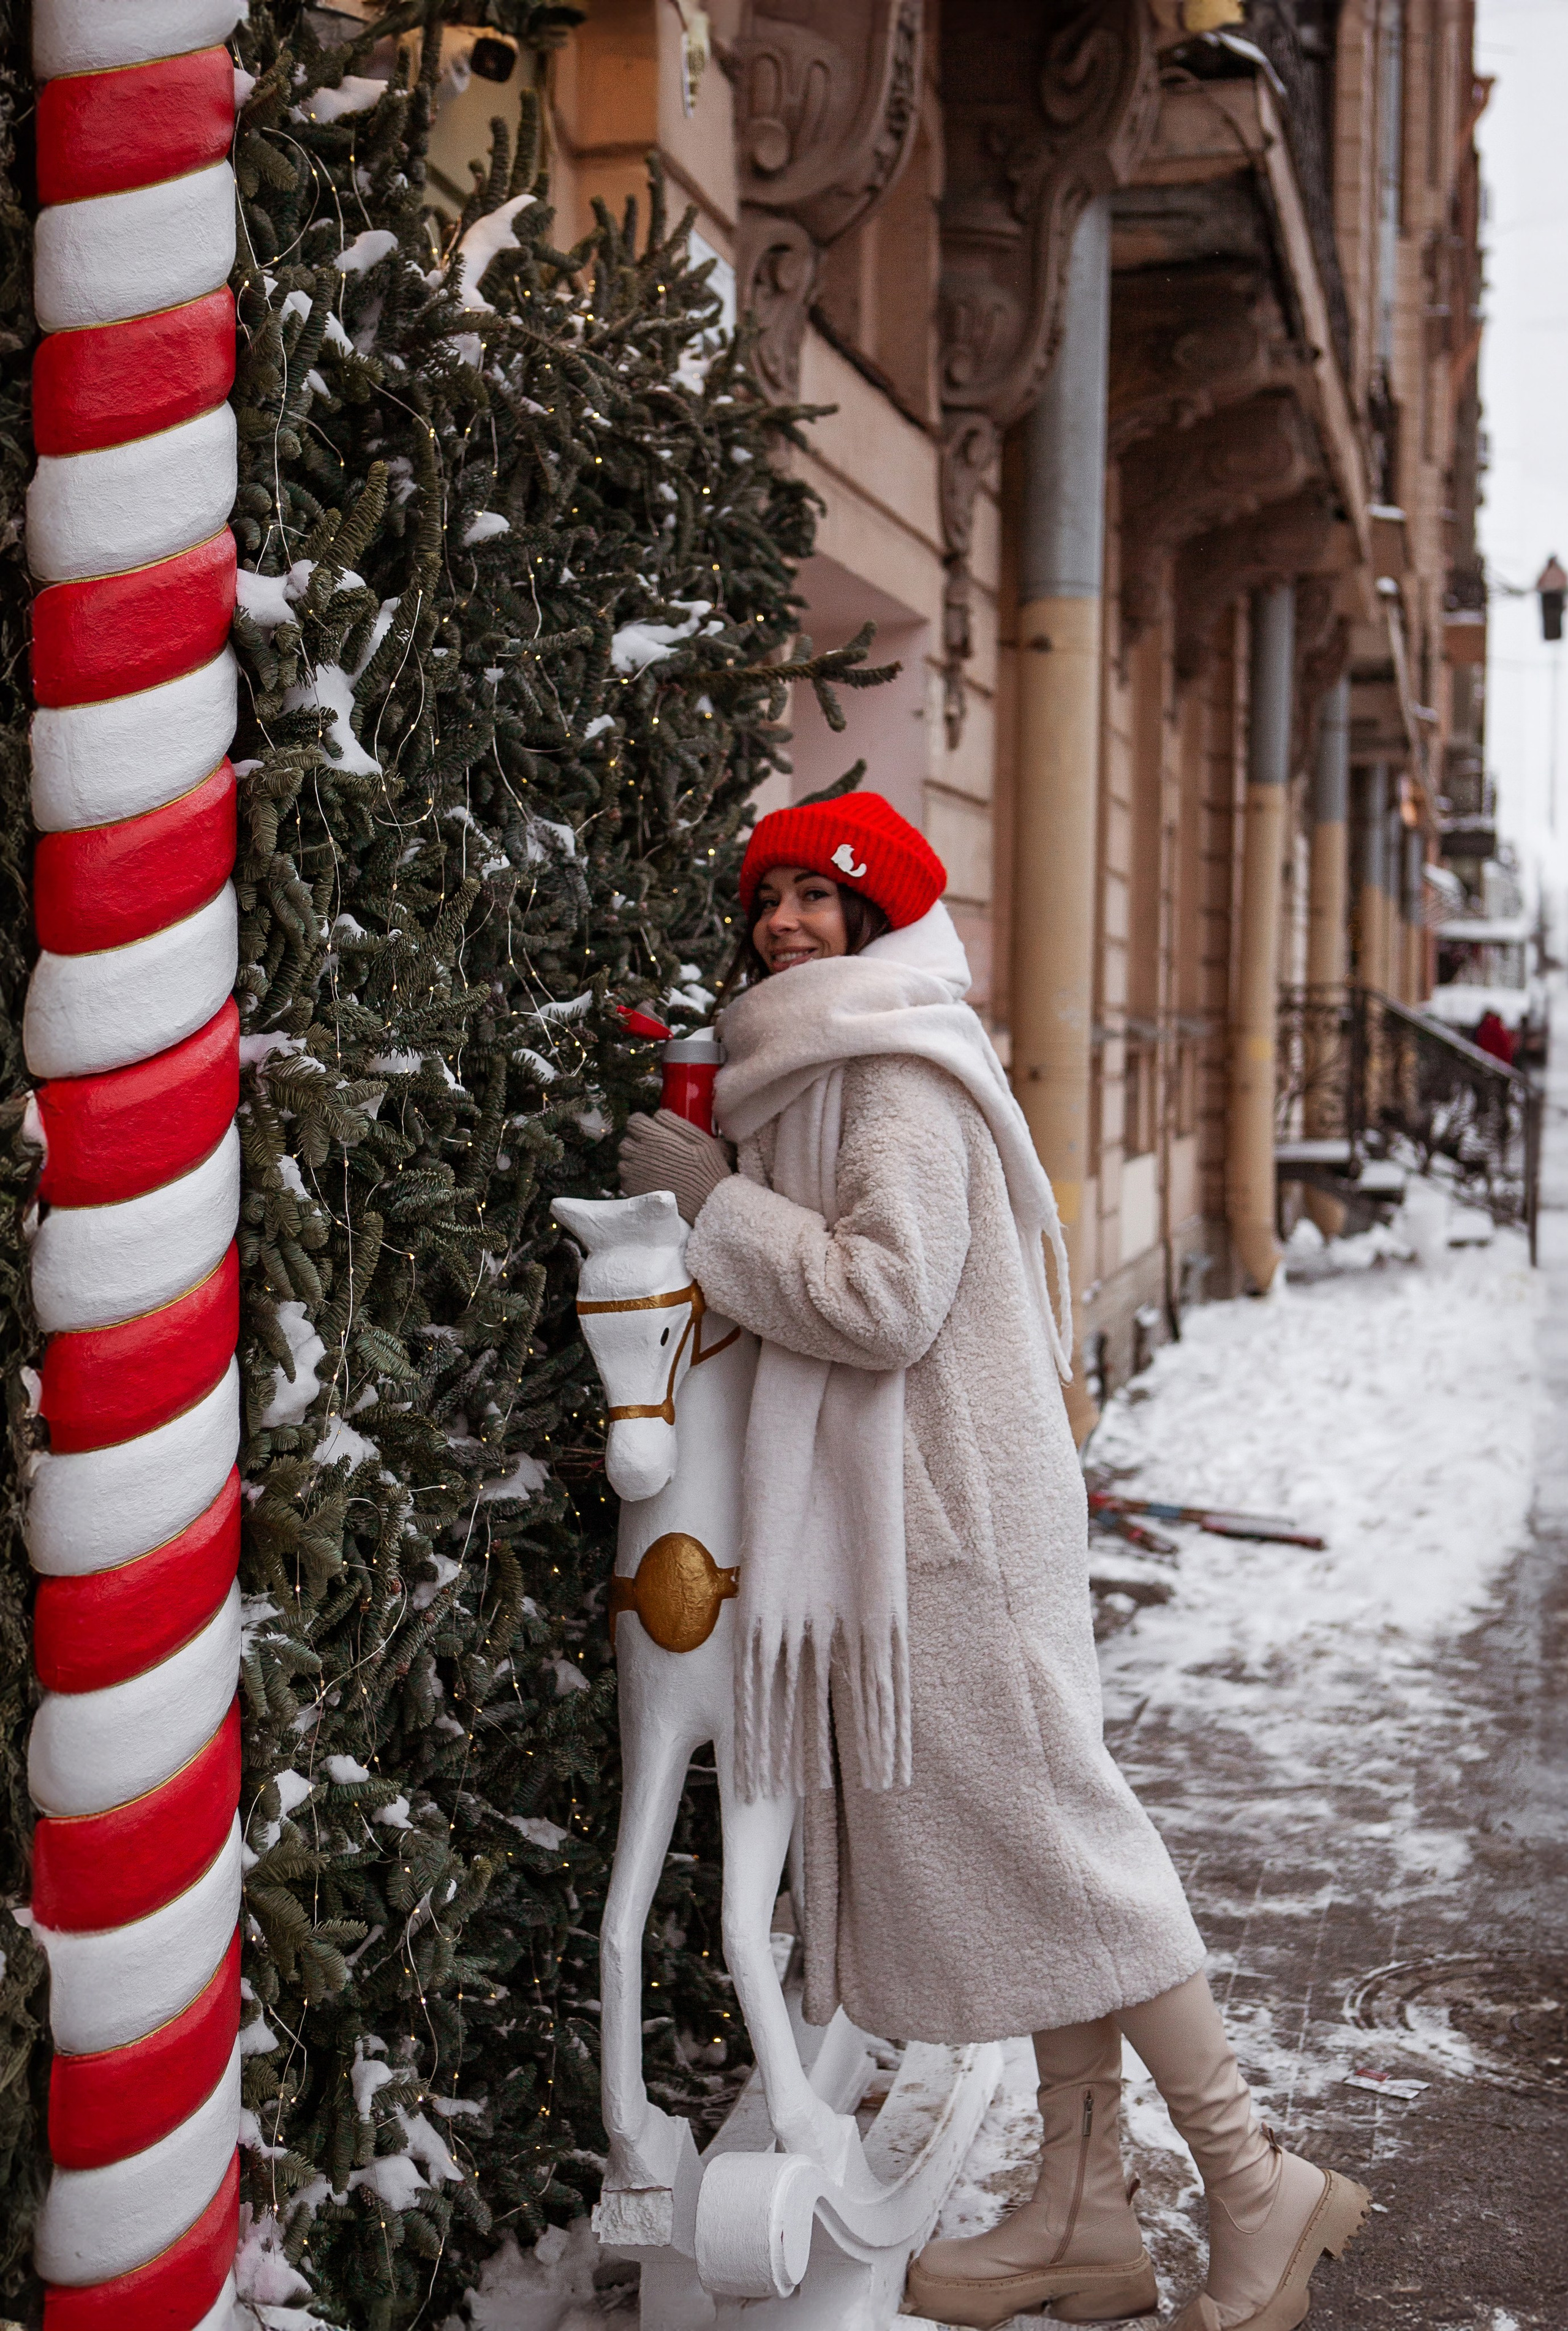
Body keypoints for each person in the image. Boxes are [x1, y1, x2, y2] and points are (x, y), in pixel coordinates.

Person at [618, 792, 1368, 2331]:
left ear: (874, 915)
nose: (781, 924)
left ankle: (1252, 2181)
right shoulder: (812, 1060)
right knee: (1034, 1876)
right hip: (916, 1529)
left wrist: (715, 1208)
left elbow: (883, 1298)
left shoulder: (892, 1069)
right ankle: (1082, 2213)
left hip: (948, 1534)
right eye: (766, 899)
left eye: (815, 899)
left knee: (1073, 1862)